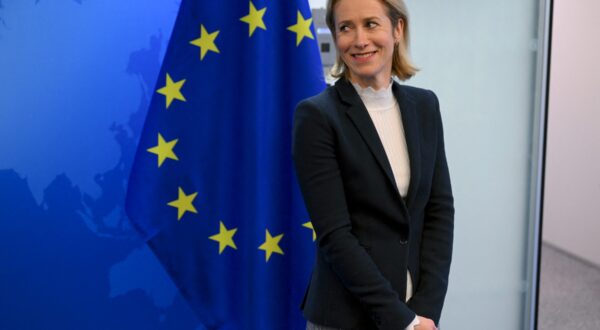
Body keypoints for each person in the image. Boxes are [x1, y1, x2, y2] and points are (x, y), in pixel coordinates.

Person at [292, 0, 454, 329]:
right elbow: (335, 236)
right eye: (345, 28)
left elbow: (439, 211)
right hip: (345, 316)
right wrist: (403, 321)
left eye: (370, 24)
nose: (359, 39)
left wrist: (426, 310)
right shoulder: (317, 116)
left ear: (397, 29)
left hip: (417, 311)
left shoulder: (425, 106)